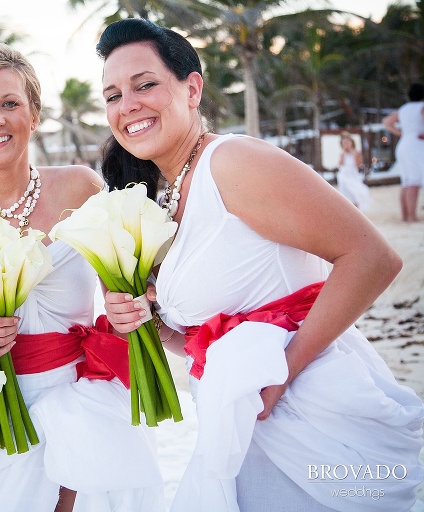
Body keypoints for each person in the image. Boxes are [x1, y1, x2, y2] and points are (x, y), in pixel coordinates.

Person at [98, 18, 424, 512]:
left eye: (144, 85)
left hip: (307, 417)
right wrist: (149, 325)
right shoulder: (162, 199)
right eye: (112, 96)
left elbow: (373, 258)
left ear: (192, 89)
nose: (128, 106)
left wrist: (282, 374)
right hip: (238, 425)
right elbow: (212, 338)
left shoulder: (233, 163)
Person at [0, 42, 166, 512]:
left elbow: (124, 284)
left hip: (85, 402)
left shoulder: (80, 186)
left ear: (34, 113)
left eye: (10, 104)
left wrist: (132, 304)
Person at [383, 83, 424, 222]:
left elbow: (387, 122)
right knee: (414, 180)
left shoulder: (403, 109)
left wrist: (401, 133)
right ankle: (412, 216)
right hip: (416, 144)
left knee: (406, 181)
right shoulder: (421, 107)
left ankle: (405, 215)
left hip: (404, 144)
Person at [335, 131, 370, 211]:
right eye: (344, 143)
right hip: (344, 175)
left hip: (353, 175)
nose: (346, 144)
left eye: (348, 142)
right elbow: (340, 163)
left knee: (356, 193)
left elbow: (358, 165)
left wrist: (353, 154)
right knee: (347, 195)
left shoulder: (357, 152)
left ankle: (356, 210)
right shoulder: (342, 153)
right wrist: (344, 152)